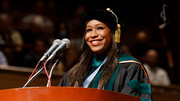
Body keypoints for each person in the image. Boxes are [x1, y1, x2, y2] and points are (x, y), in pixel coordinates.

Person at [59, 8, 152, 100]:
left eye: (100, 28)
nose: (93, 35)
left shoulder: (130, 67)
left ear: (113, 34)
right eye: (89, 30)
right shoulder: (74, 72)